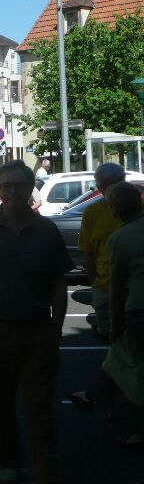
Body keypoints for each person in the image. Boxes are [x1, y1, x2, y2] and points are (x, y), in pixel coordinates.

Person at [0, 160, 73, 484]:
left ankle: (46, 473)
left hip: (37, 330)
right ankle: (7, 462)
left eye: (17, 186)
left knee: (40, 405)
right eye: (5, 185)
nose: (10, 191)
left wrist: (55, 329)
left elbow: (58, 284)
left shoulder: (46, 231)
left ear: (28, 189)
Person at [104, 181, 144, 445]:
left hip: (138, 310)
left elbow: (116, 289)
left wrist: (114, 324)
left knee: (137, 371)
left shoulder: (120, 238)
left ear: (116, 210)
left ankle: (139, 431)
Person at [78, 163, 126, 341]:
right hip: (104, 287)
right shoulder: (92, 211)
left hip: (133, 288)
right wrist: (95, 284)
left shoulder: (138, 207)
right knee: (111, 337)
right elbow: (88, 251)